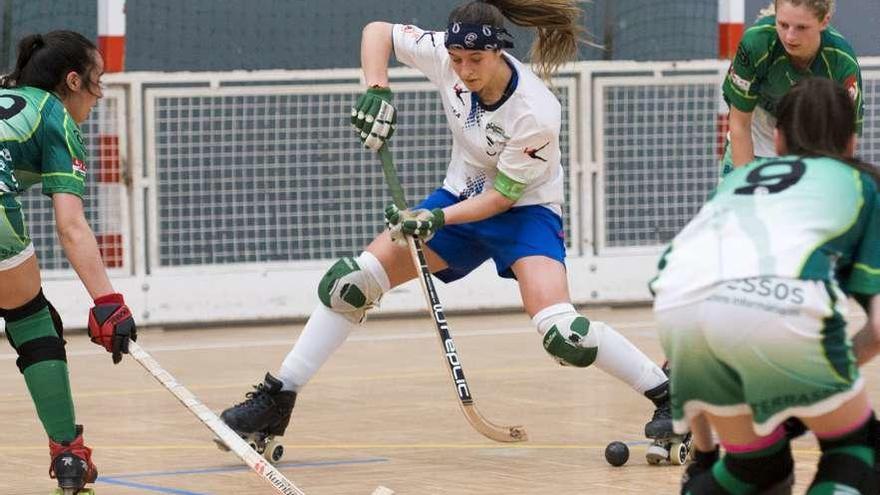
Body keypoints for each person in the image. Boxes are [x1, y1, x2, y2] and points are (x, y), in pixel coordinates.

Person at [221, 0, 675, 456]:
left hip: (525, 212)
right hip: (459, 196)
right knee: (350, 285)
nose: (464, 70)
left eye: (475, 60)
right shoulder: (445, 53)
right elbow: (377, 31)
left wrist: (435, 217)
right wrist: (377, 90)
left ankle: (668, 396)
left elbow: (501, 197)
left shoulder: (535, 112)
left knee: (564, 335)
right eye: (457, 59)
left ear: (499, 51)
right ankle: (278, 397)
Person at [652, 77, 880, 494]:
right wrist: (813, 377)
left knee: (756, 468)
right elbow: (879, 328)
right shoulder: (860, 185)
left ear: (776, 139)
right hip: (783, 314)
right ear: (851, 141)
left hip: (679, 316)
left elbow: (688, 311)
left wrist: (703, 457)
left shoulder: (738, 182)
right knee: (860, 452)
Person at [0, 31, 137, 494]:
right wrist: (108, 302)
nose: (99, 96)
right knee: (32, 320)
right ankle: (68, 456)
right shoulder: (53, 114)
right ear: (73, 80)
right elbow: (71, 226)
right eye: (97, 82)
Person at [719, 0, 861, 178]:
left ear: (824, 21)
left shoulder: (842, 63)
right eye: (783, 25)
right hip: (751, 142)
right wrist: (746, 188)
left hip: (809, 151)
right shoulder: (757, 43)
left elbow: (845, 141)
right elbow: (739, 124)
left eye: (801, 27)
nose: (790, 37)